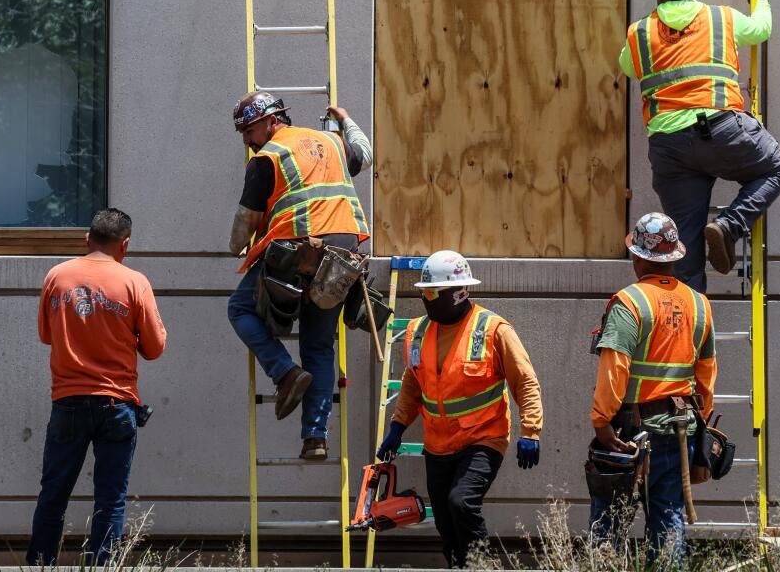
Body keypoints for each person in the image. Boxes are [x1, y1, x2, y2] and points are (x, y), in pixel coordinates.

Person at [621, 0, 780, 291]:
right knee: (774, 169)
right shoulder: (722, 18)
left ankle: (690, 337)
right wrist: (761, 0)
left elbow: (628, 66)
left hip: (669, 150)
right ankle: (730, 225)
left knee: (686, 257)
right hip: (721, 131)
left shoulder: (639, 33)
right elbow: (761, 30)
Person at [227, 91, 372, 460]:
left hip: (297, 247)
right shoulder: (332, 142)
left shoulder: (268, 158)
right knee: (319, 343)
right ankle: (315, 438)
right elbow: (365, 154)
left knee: (241, 308)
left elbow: (245, 224)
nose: (246, 139)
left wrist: (236, 247)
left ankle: (285, 372)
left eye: (248, 129)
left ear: (271, 120)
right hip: (345, 250)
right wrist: (345, 117)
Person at [375, 251, 543, 568]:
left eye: (432, 292)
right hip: (438, 444)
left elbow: (525, 382)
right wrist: (397, 427)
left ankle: (484, 566)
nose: (426, 298)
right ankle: (459, 566)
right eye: (423, 291)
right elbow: (413, 382)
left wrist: (530, 431)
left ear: (459, 292)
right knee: (445, 521)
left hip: (483, 437)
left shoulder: (494, 330)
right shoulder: (417, 331)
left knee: (461, 503)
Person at [27, 208, 167, 566]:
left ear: (87, 239)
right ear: (126, 245)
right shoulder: (135, 282)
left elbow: (47, 335)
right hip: (116, 403)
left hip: (68, 400)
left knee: (54, 493)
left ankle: (41, 564)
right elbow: (154, 349)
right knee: (110, 498)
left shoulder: (57, 276)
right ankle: (103, 565)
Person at [588, 213, 716, 562]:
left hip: (631, 430)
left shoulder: (629, 302)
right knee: (669, 515)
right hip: (681, 429)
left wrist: (602, 421)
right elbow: (706, 373)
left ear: (639, 257)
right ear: (674, 256)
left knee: (609, 520)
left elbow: (615, 366)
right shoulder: (700, 305)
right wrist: (700, 422)